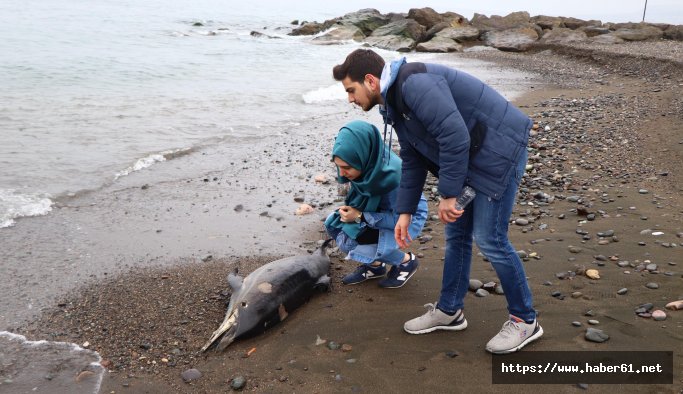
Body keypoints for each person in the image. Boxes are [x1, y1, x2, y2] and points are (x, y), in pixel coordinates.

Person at [332, 49, 543, 354]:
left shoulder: (415, 85)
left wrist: (448, 195)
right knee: (457, 235)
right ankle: (449, 311)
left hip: (499, 151)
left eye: (351, 90)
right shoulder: (393, 104)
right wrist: (404, 211)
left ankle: (525, 320)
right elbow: (414, 159)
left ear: (370, 81)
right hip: (474, 156)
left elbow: (454, 136)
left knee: (490, 238)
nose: (350, 99)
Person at [324, 120, 428, 288]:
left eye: (347, 167)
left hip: (407, 217)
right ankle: (376, 266)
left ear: (363, 157)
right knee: (332, 222)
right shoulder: (367, 161)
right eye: (338, 166)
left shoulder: (393, 179)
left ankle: (406, 262)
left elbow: (400, 219)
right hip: (376, 208)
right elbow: (348, 188)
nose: (341, 173)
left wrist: (359, 215)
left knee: (348, 242)